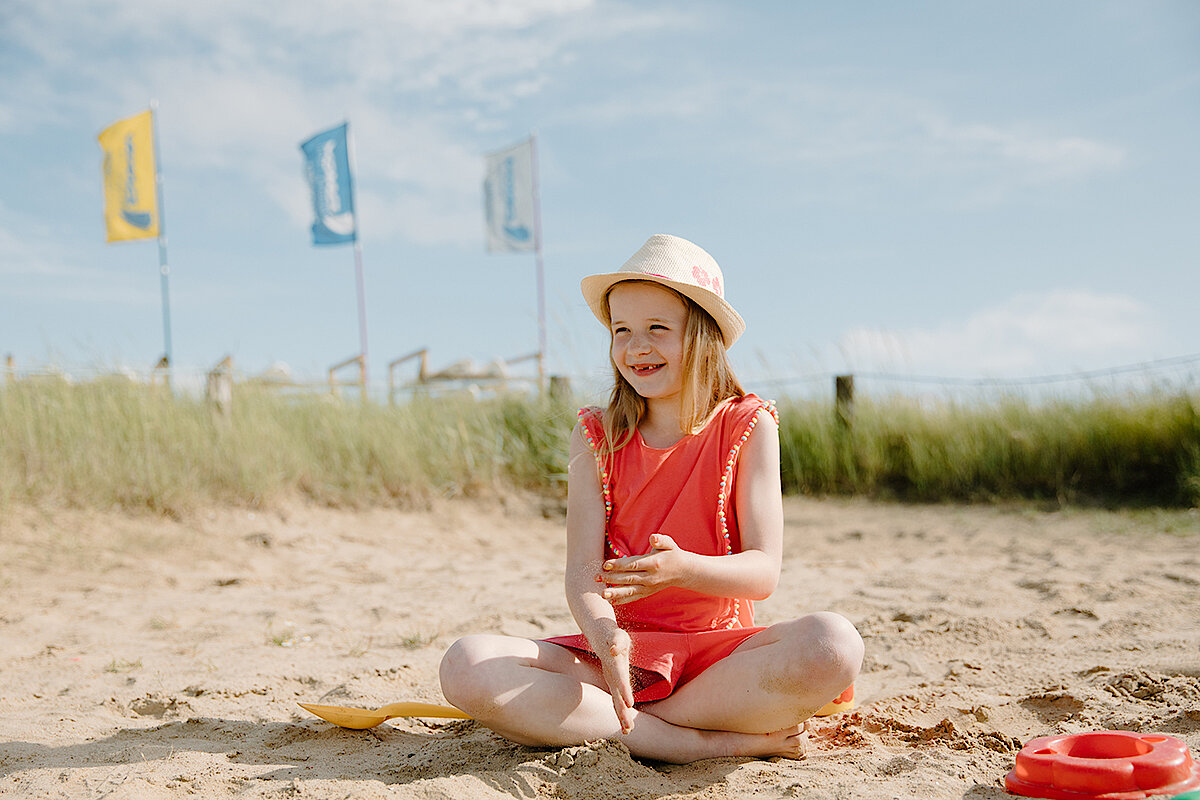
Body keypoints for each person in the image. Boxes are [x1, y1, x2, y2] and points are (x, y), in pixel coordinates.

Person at [439, 234, 863, 763]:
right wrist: (605, 634)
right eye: (622, 330)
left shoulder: (747, 424)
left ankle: (627, 725)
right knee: (465, 662)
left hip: (719, 660)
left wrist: (683, 568)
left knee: (833, 643)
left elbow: (763, 572)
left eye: (658, 328)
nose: (636, 346)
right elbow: (582, 574)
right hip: (621, 655)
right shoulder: (596, 434)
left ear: (703, 336)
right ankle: (692, 742)